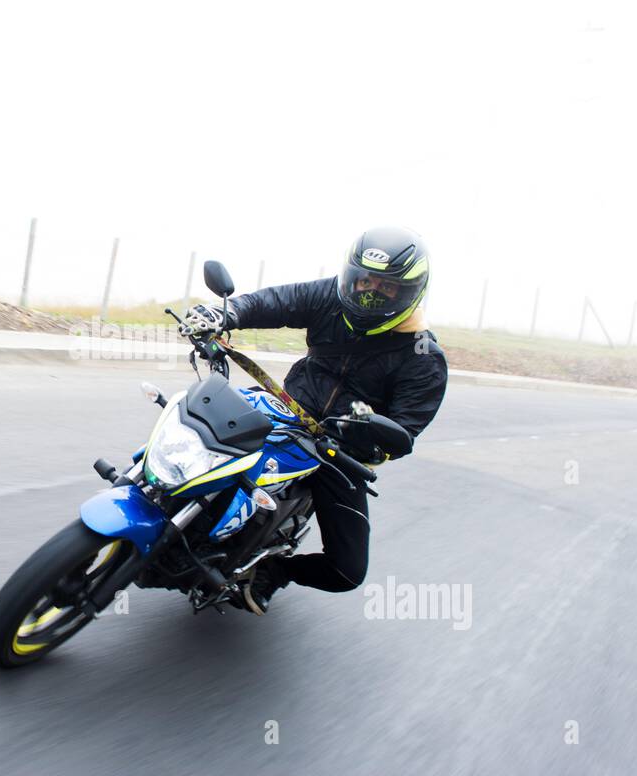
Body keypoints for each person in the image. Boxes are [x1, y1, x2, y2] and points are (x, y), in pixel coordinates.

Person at [181, 227, 448, 614]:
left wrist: (373, 434)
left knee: (347, 571)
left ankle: (271, 572)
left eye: (385, 287)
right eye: (363, 280)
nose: (369, 292)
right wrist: (224, 314)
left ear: (409, 291)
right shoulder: (331, 295)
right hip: (281, 405)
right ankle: (141, 485)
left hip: (337, 450)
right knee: (193, 422)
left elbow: (404, 430)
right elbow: (276, 302)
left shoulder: (424, 357)